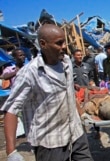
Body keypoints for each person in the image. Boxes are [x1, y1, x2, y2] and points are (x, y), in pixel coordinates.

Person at [0, 24, 93, 161]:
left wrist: (82, 114)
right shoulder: (30, 73)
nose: (63, 47)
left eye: (64, 42)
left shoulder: (66, 62)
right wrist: (11, 151)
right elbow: (11, 110)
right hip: (50, 143)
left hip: (76, 135)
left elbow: (68, 93)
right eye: (59, 43)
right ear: (43, 44)